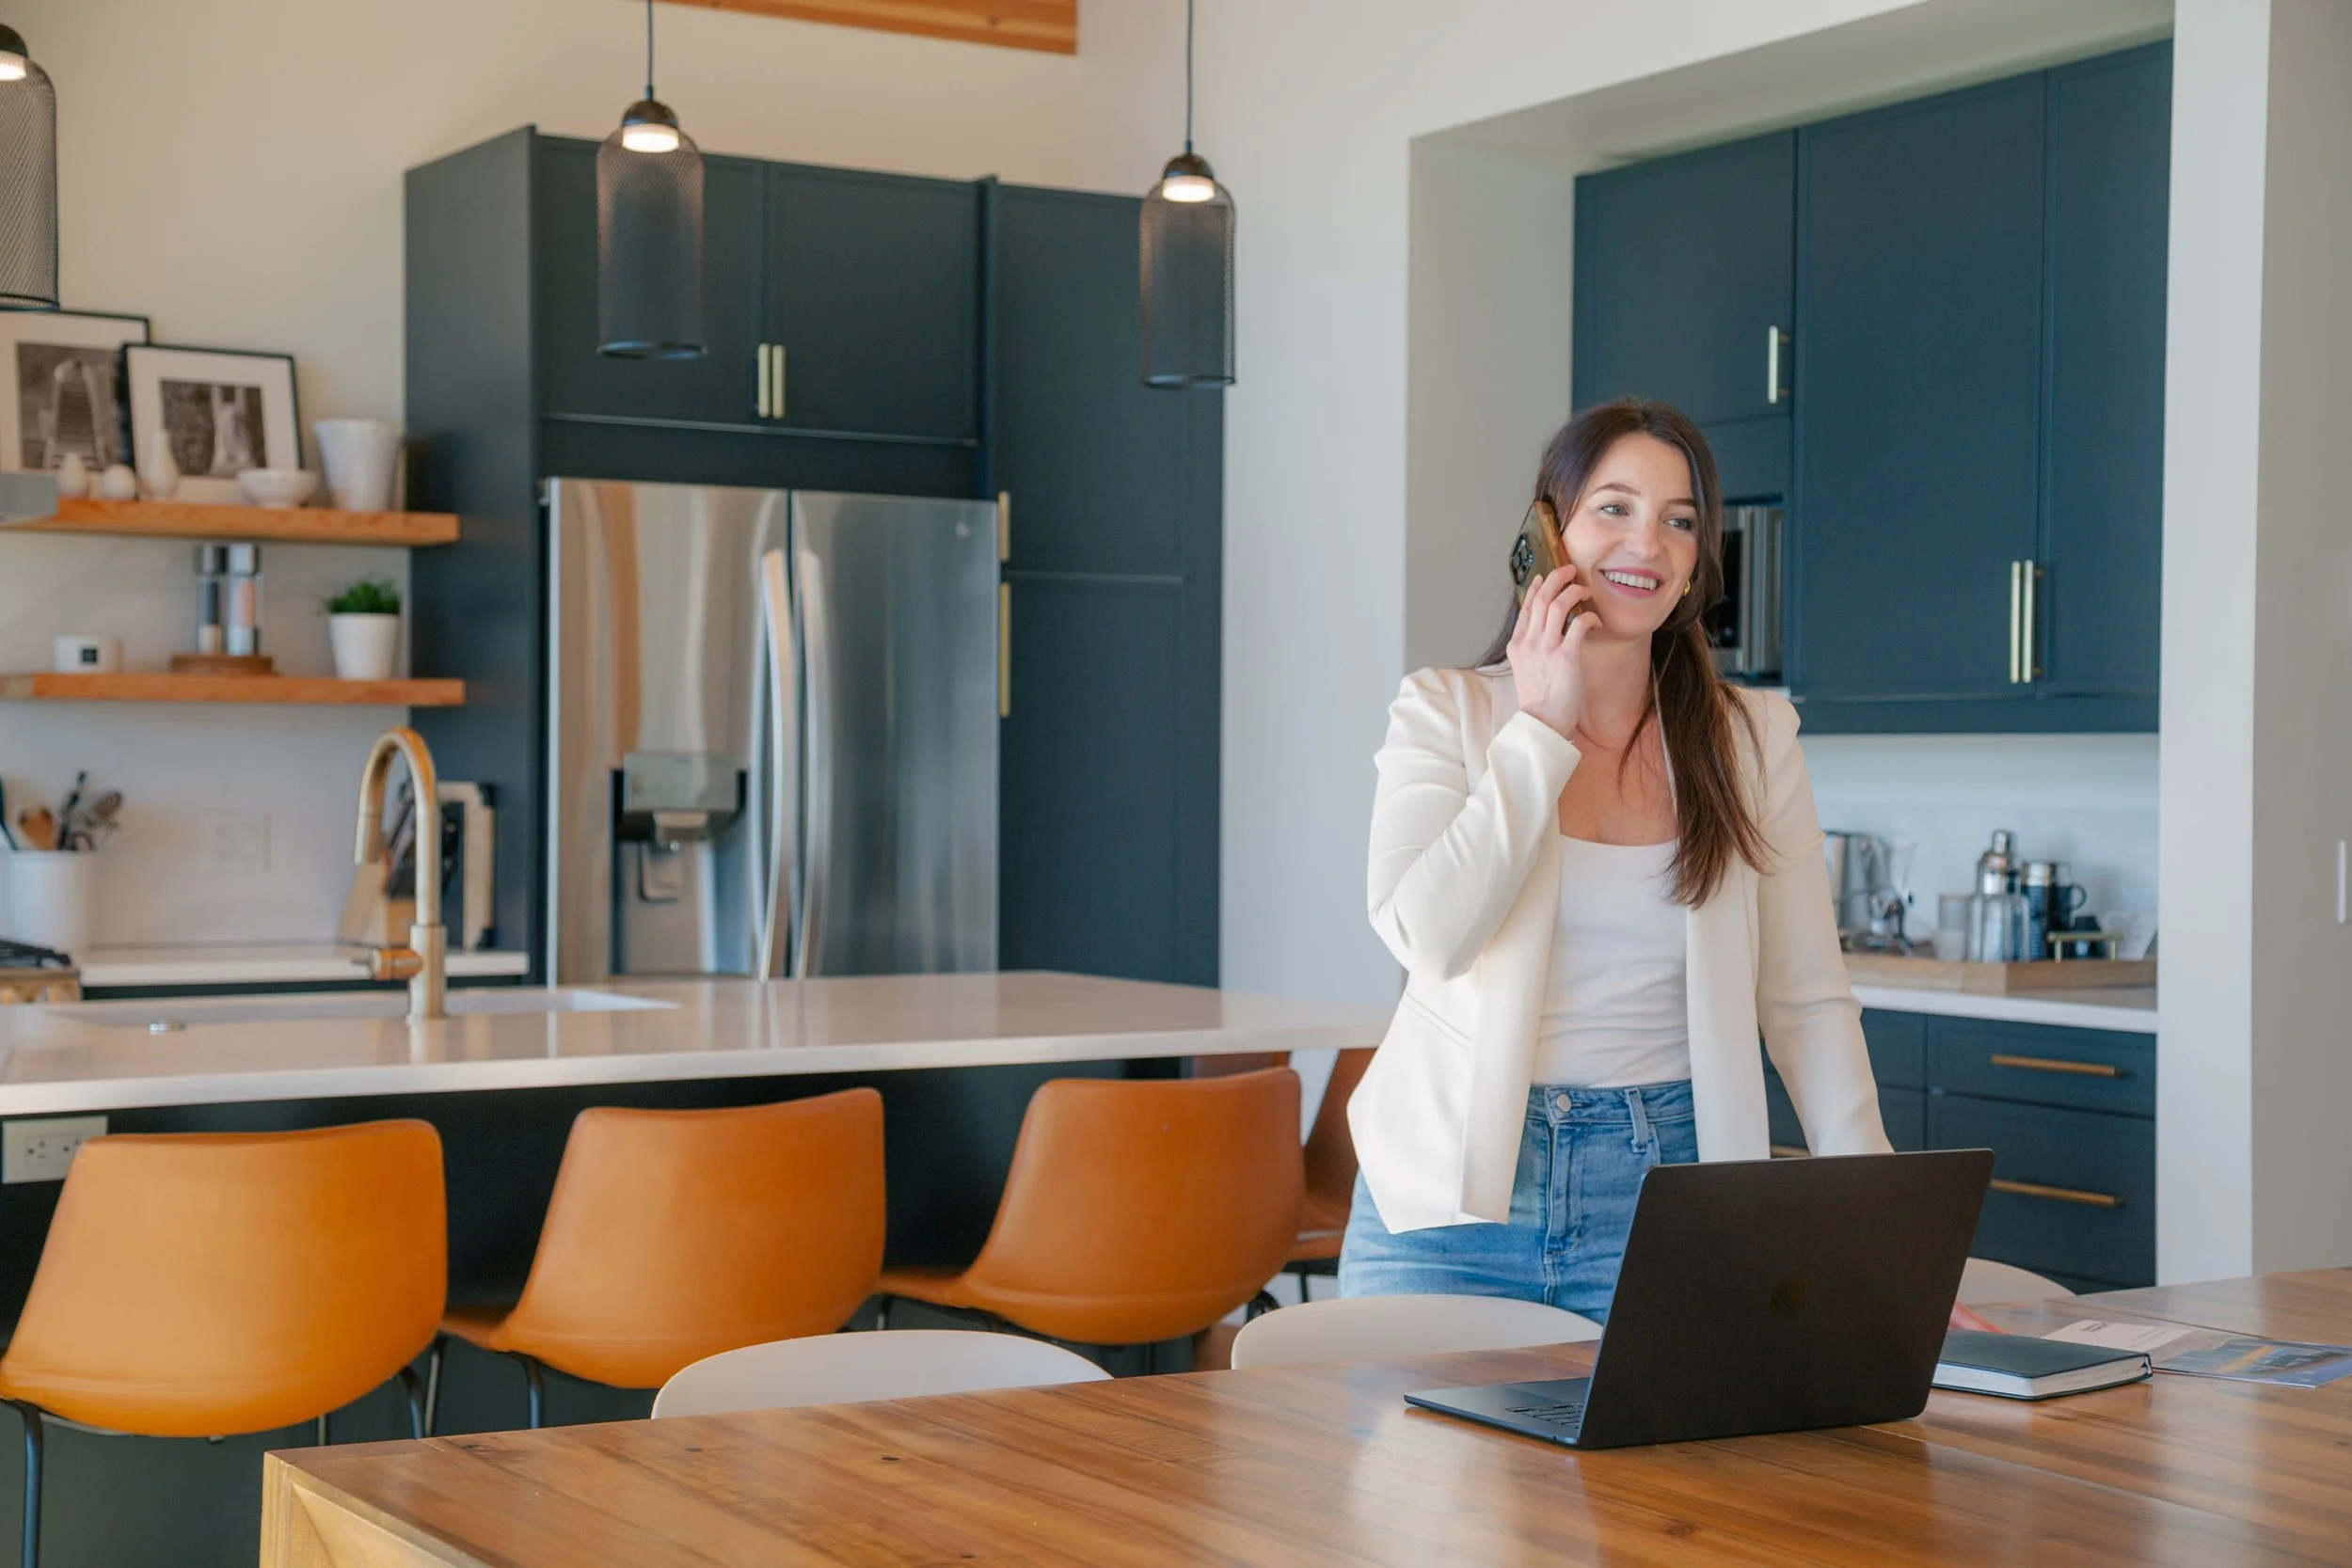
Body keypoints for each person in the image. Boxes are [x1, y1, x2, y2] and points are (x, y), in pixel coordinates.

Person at [1339, 397, 1895, 1325]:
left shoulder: (1750, 739)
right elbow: (1429, 935)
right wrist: (1542, 727)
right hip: (1450, 1207)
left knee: (1657, 1476)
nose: (1649, 542)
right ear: (1546, 530)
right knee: (1418, 1475)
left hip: (1672, 1194)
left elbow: (1805, 1002)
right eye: (1614, 508)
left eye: (1679, 520)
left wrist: (1881, 1226)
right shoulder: (1446, 712)